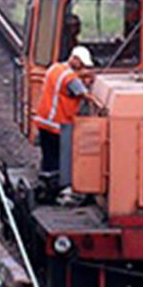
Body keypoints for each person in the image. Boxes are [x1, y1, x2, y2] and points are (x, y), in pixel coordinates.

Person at [33, 46, 95, 194]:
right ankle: (57, 188)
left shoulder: (55, 68)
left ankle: (46, 183)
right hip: (58, 124)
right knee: (60, 159)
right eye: (82, 64)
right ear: (74, 59)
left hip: (43, 120)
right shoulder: (70, 79)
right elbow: (83, 94)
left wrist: (81, 75)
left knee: (48, 156)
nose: (82, 67)